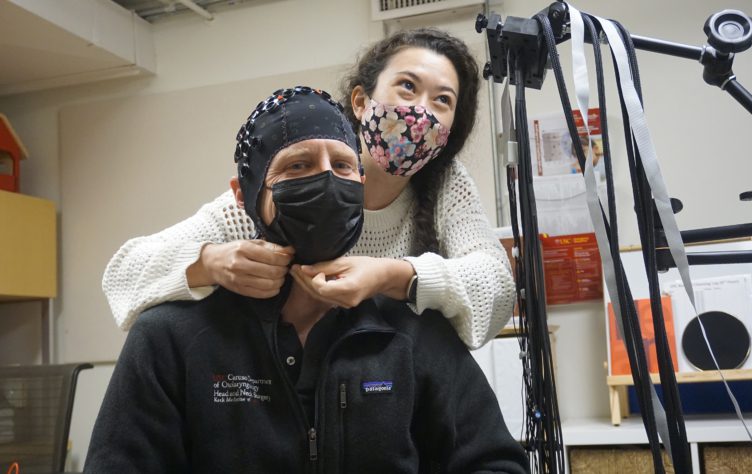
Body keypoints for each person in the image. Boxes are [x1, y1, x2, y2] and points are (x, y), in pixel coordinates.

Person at [84, 90, 530, 473]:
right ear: (246, 195)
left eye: (341, 165)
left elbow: (495, 462)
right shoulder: (170, 339)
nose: (324, 180)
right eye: (297, 166)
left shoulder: (411, 332)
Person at [101, 28, 515, 349]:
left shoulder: (445, 185)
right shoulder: (276, 193)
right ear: (360, 102)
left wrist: (391, 276)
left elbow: (495, 288)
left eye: (442, 100)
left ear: (451, 128)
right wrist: (209, 262)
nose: (420, 110)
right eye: (407, 86)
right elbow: (124, 274)